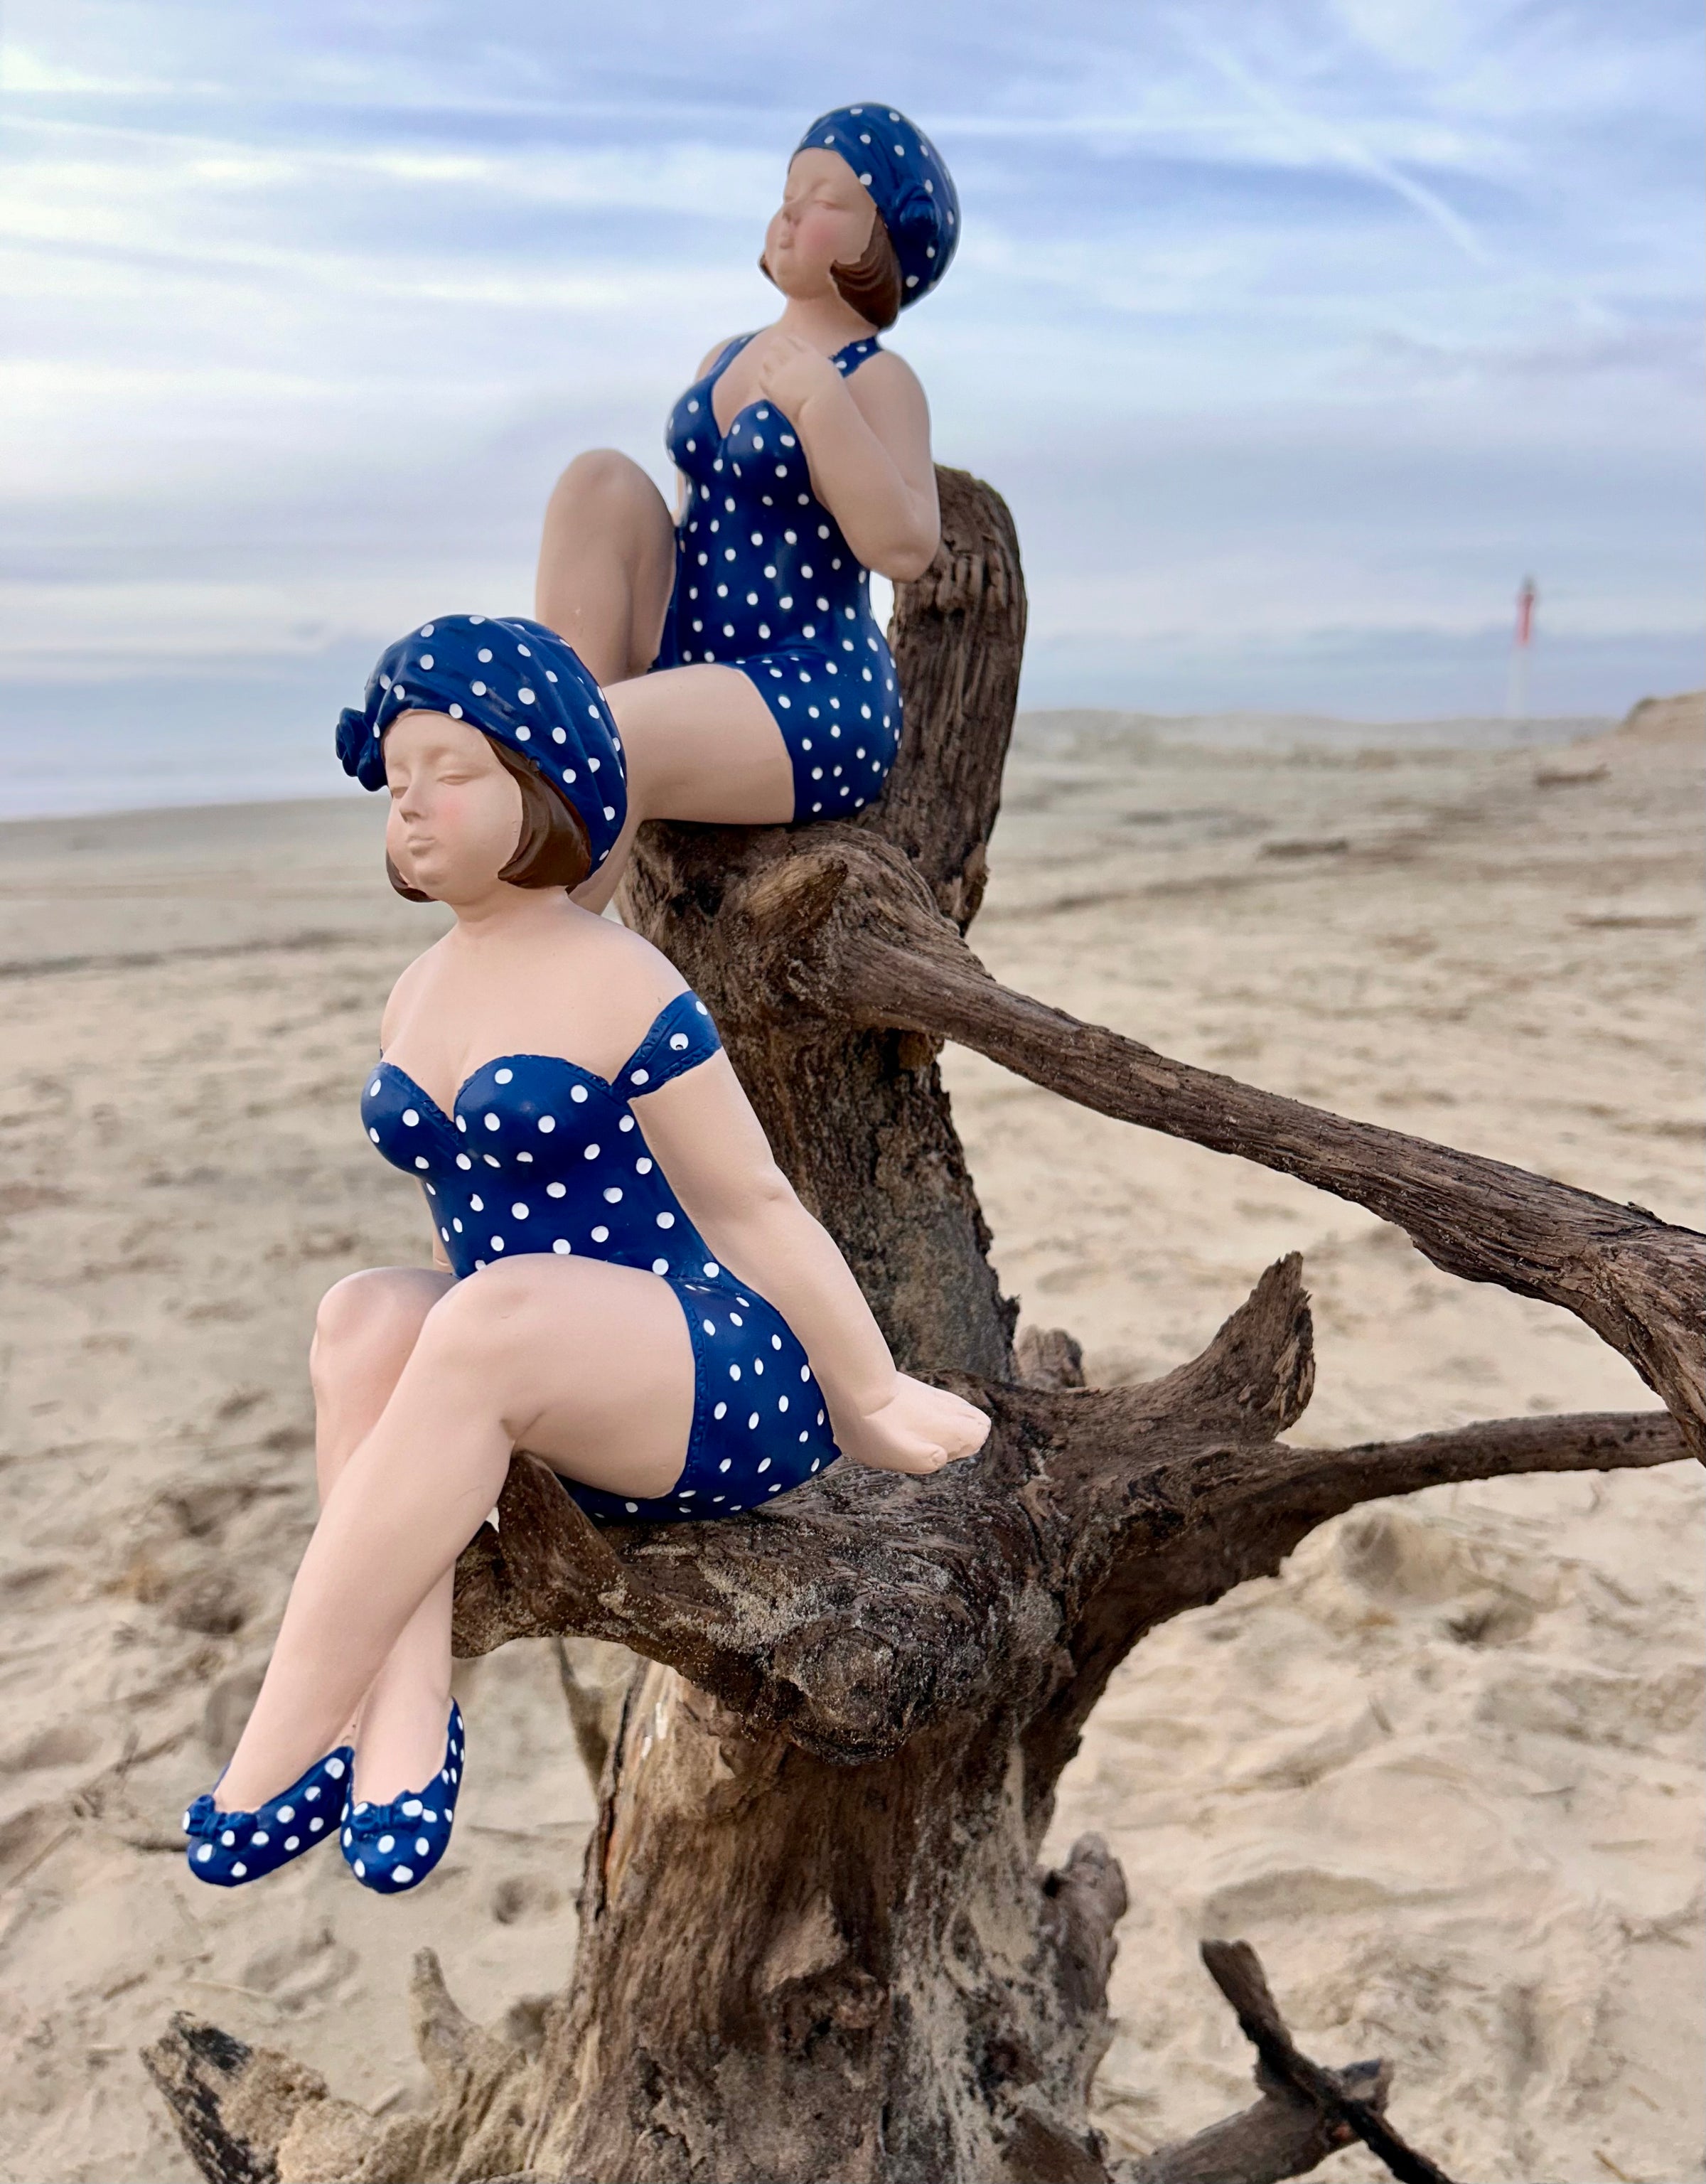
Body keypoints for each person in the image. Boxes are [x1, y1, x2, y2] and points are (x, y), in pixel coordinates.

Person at [181, 615, 989, 1895]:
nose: (412, 806)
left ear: (546, 782)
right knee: (361, 1318)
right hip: (534, 1364)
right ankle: (401, 1726)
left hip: (705, 1372)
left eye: (452, 773)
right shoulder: (416, 991)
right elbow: (462, 1229)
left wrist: (870, 1387)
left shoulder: (622, 978)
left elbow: (751, 1204)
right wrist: (453, 1373)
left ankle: (275, 1756)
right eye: (397, 783)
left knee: (484, 1318)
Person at [537, 105, 960, 910]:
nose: (792, 212)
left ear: (882, 238)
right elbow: (695, 515)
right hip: (695, 658)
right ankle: (571, 740)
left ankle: (544, 943)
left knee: (622, 731)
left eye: (827, 199)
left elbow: (906, 548)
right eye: (789, 193)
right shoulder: (723, 356)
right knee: (598, 478)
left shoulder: (876, 377)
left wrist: (823, 408)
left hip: (811, 689)